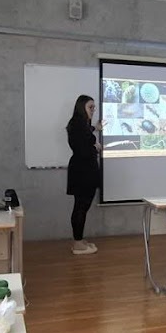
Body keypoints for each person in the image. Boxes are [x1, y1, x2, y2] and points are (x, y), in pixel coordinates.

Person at [65, 94, 102, 255]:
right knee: (81, 207)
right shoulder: (78, 125)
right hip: (83, 171)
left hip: (84, 170)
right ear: (82, 107)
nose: (93, 110)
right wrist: (95, 147)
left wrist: (95, 129)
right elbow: (82, 149)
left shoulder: (80, 124)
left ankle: (78, 240)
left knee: (81, 206)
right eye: (90, 107)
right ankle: (78, 244)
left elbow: (86, 135)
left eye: (94, 107)